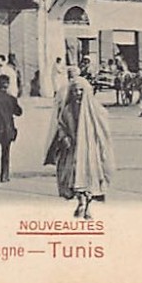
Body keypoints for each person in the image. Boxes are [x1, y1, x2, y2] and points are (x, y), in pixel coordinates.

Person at [44, 76, 113, 219]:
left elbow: (103, 124)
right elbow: (61, 125)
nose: (78, 94)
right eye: (75, 91)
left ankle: (86, 206)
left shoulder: (95, 109)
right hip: (73, 150)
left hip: (90, 150)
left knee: (90, 178)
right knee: (74, 177)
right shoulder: (68, 110)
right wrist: (64, 138)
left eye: (81, 91)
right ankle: (81, 203)